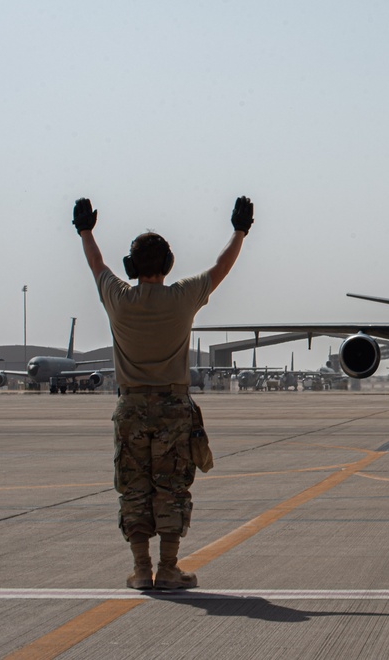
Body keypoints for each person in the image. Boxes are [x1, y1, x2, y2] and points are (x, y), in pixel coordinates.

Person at [74, 195, 254, 589]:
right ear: (168, 266)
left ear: (131, 267)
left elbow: (96, 264)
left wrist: (85, 231)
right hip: (173, 407)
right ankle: (169, 568)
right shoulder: (182, 298)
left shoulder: (118, 298)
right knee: (172, 487)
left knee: (134, 488)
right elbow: (220, 268)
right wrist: (239, 231)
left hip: (131, 406)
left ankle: (141, 570)